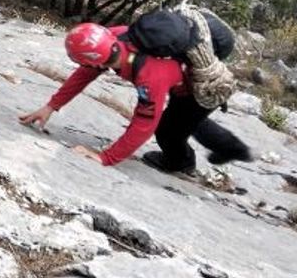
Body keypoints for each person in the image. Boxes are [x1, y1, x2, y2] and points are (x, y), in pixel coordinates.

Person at [18, 19, 252, 173]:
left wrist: (105, 157)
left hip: (196, 90)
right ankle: (232, 148)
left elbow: (144, 124)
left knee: (168, 130)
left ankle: (183, 163)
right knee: (183, 121)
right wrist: (50, 106)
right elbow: (84, 74)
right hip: (177, 78)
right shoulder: (117, 38)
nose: (85, 66)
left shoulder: (149, 75)